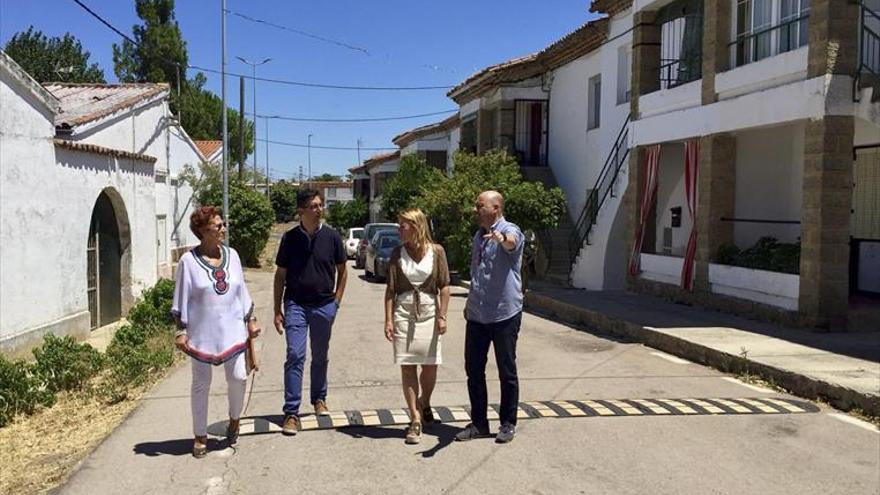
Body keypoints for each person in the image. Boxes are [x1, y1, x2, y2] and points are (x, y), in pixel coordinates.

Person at [171, 206, 260, 458]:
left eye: (223, 224)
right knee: (201, 384)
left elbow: (241, 291)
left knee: (239, 378)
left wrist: (250, 319)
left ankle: (234, 420)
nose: (223, 229)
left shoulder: (232, 255)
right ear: (202, 231)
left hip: (233, 331)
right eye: (218, 225)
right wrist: (181, 330)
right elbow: (181, 297)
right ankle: (200, 435)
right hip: (202, 334)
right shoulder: (188, 262)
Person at [273, 189, 347, 436]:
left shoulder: (333, 236)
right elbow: (280, 275)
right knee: (295, 354)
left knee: (321, 355)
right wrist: (276, 308)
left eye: (320, 205)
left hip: (324, 305)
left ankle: (319, 399)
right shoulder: (290, 238)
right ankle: (291, 412)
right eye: (313, 206)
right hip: (295, 304)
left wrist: (336, 302)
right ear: (301, 211)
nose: (319, 209)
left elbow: (343, 270)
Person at [455, 190, 524, 444]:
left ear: (495, 208)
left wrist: (501, 238)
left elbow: (511, 242)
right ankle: (479, 423)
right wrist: (470, 302)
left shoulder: (510, 229)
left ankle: (507, 423)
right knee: (474, 369)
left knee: (506, 370)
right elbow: (478, 271)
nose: (475, 209)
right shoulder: (478, 236)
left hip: (504, 313)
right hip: (478, 314)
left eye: (479, 205)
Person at [383, 209, 451, 445]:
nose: (399, 229)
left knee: (430, 364)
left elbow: (444, 286)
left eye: (403, 225)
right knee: (407, 365)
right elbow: (390, 290)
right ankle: (415, 417)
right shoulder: (396, 254)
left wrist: (443, 316)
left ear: (417, 226)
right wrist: (388, 320)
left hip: (430, 313)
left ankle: (425, 402)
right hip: (404, 312)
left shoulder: (437, 251)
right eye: (399, 225)